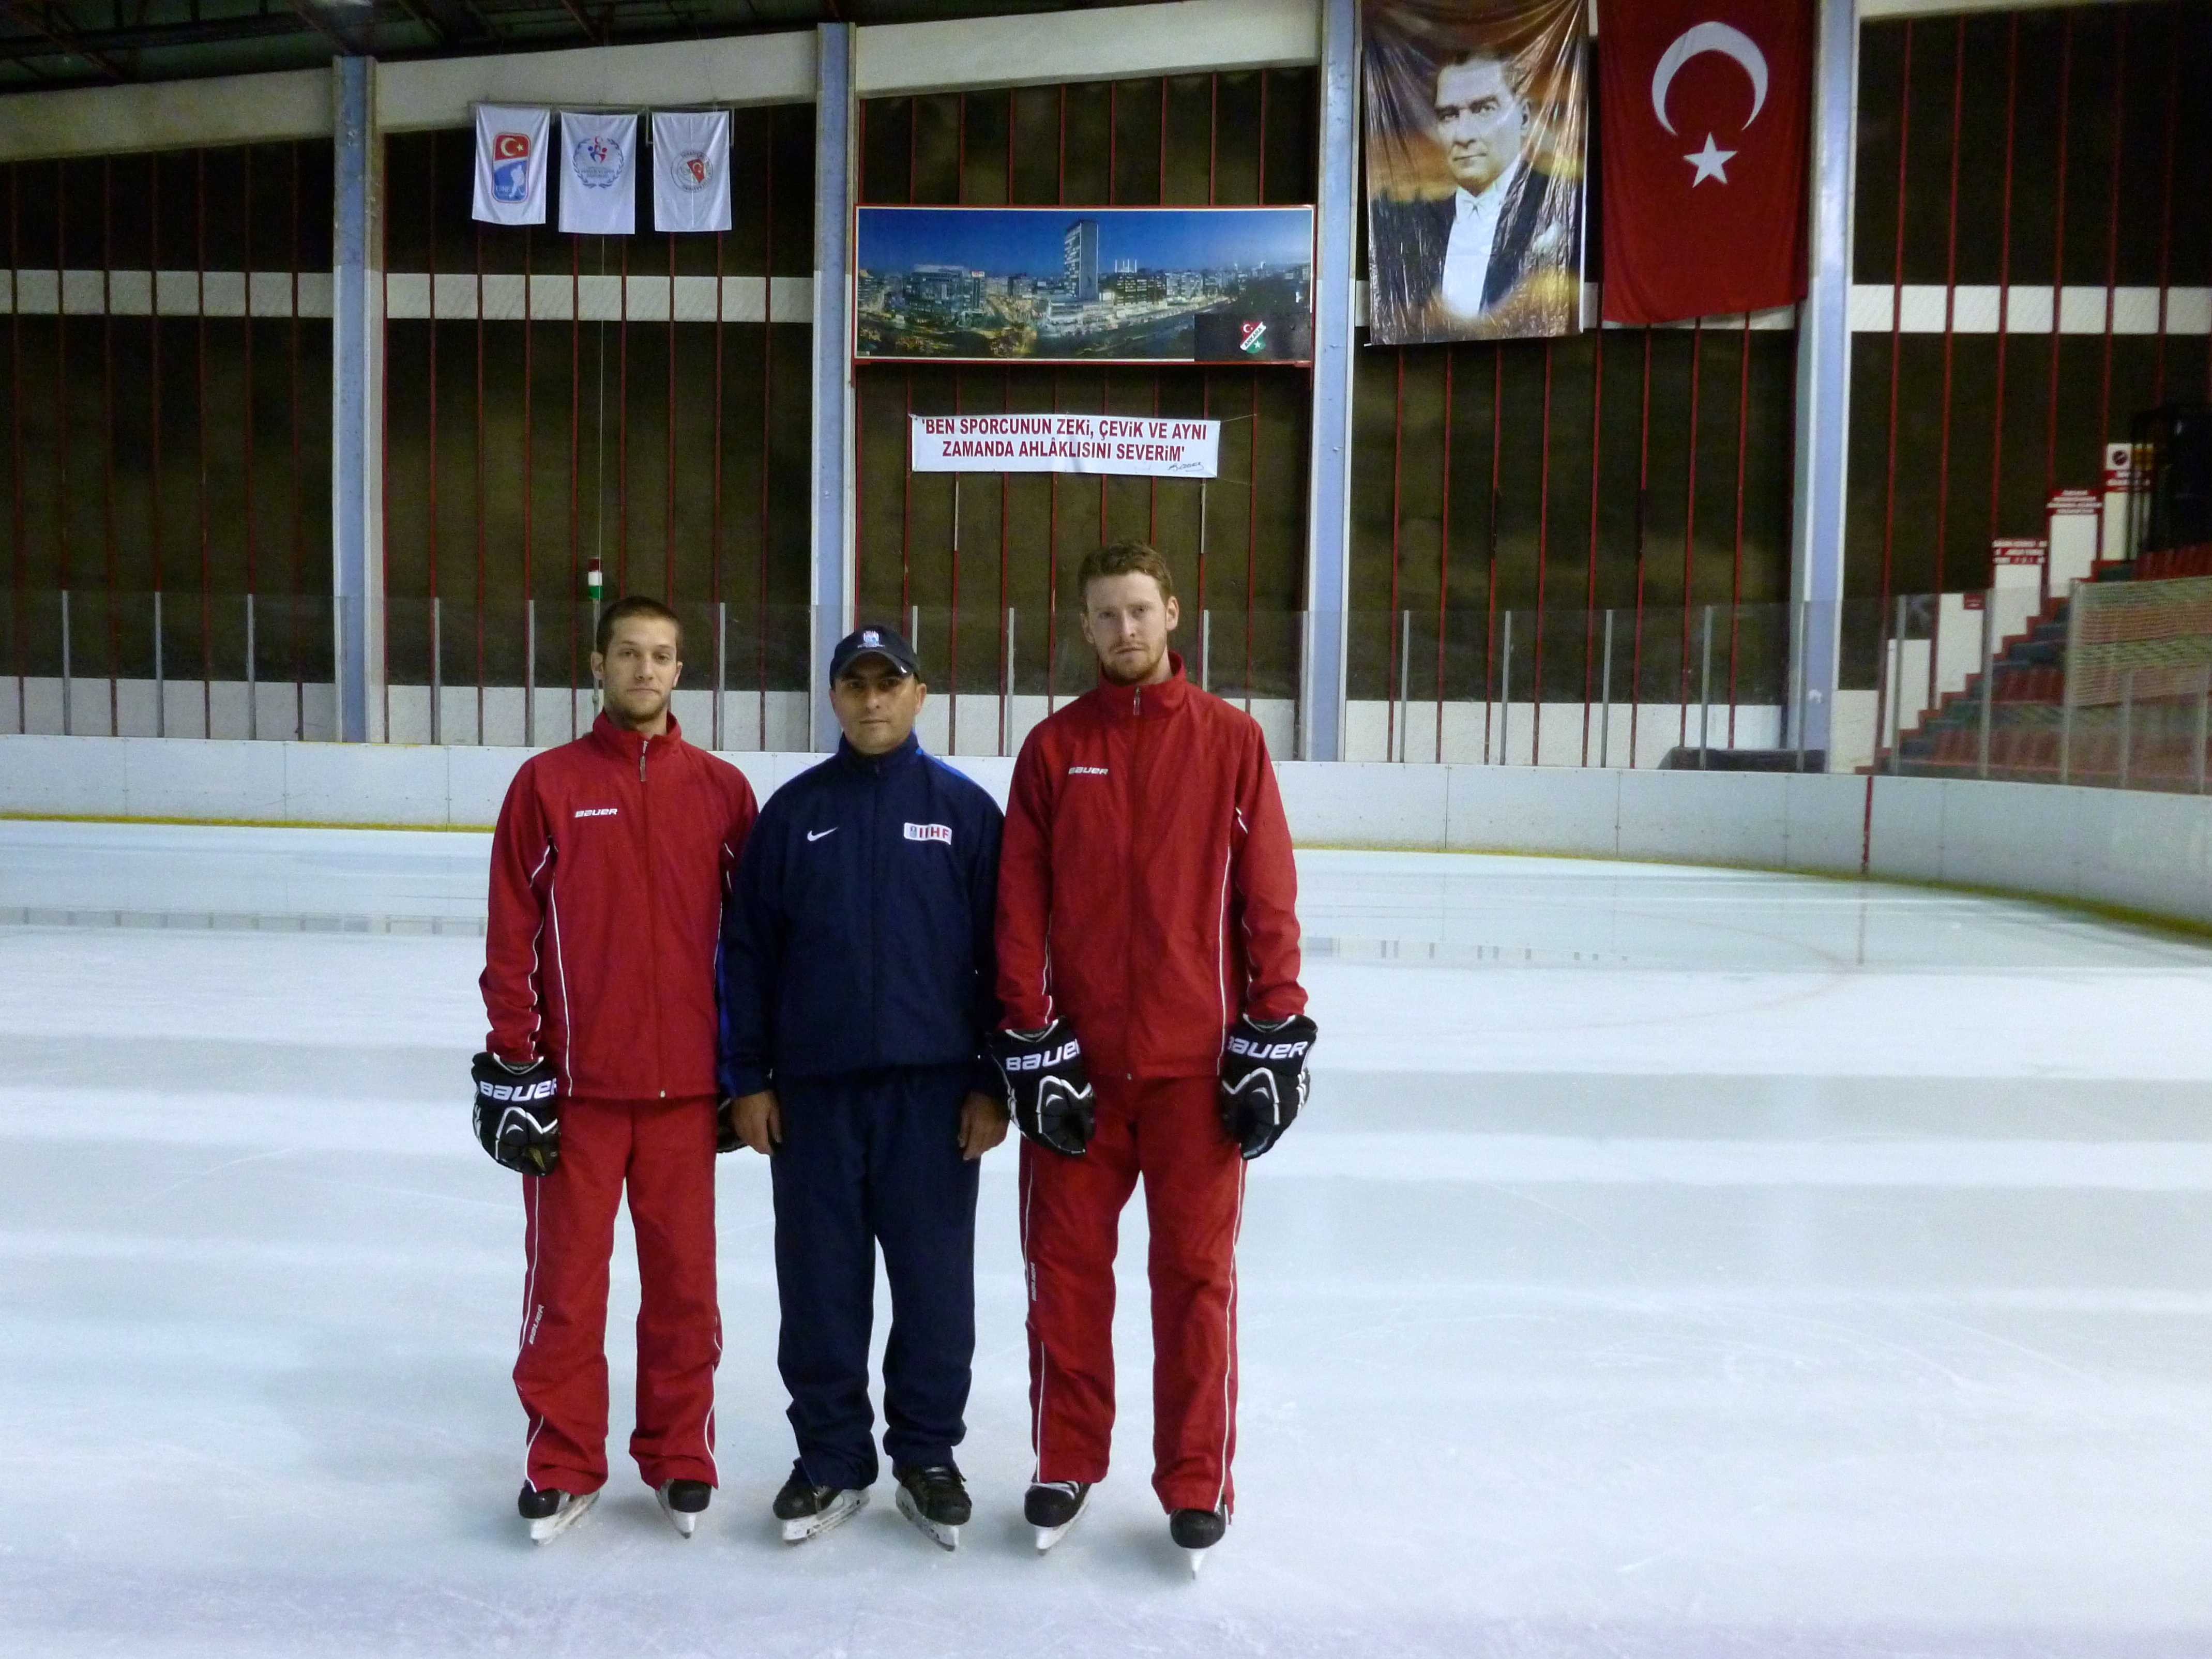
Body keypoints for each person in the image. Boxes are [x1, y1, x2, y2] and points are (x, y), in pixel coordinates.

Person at [990, 542, 1316, 1573]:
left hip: (1194, 1080)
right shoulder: (1051, 750)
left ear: (1173, 612)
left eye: (1140, 608)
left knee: (1196, 1279)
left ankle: (1194, 1478)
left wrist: (1273, 1031)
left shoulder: (1231, 742)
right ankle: (1067, 1457)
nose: (1125, 627)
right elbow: (1020, 910)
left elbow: (1267, 901)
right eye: (1105, 613)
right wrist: (1032, 1041)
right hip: (1079, 1077)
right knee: (1066, 1279)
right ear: (1084, 629)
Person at [474, 595, 758, 1545]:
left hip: (684, 1095)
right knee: (565, 1282)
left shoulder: (721, 792)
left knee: (685, 1286)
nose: (646, 668)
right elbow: (510, 932)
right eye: (629, 652)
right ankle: (562, 1458)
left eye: (663, 655)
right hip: (577, 1094)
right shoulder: (546, 784)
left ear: (681, 671)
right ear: (597, 663)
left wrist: (742, 1066)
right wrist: (516, 1059)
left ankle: (680, 1453)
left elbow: (751, 947)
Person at [719, 625, 1008, 1552]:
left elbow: (1004, 961)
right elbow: (748, 956)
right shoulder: (793, 812)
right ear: (834, 697)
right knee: (819, 1286)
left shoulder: (965, 814)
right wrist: (748, 1080)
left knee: (933, 1286)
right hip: (812, 1099)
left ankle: (927, 1453)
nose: (872, 699)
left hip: (932, 1100)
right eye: (855, 684)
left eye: (890, 682)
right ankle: (832, 1456)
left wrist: (992, 1083)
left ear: (921, 693)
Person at [1368, 49, 1574, 341]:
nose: (1463, 136)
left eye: (1483, 109)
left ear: (1525, 118)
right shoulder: (1408, 225)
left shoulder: (1560, 205)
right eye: (1449, 115)